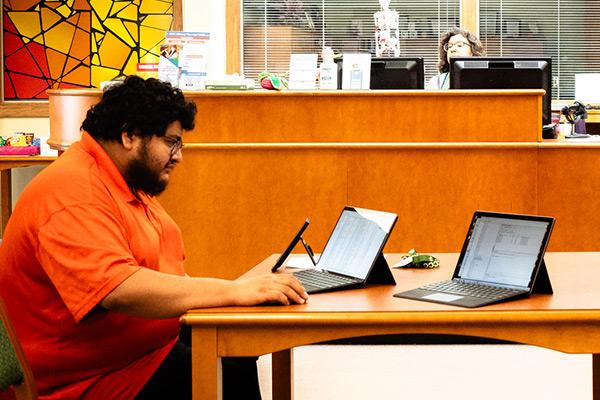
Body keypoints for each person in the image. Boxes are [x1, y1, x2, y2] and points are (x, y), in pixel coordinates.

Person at [0, 76, 308, 400]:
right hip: (89, 379)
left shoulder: (121, 179)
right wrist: (233, 291)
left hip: (140, 349)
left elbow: (157, 266)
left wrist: (231, 292)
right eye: (170, 142)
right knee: (228, 376)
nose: (178, 156)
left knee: (236, 350)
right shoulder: (72, 191)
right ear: (129, 134)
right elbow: (119, 288)